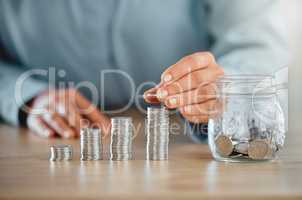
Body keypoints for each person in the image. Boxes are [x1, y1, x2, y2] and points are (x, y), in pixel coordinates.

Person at [0, 0, 288, 141]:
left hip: (187, 147)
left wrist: (224, 95)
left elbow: (257, 46)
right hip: (40, 141)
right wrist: (28, 95)